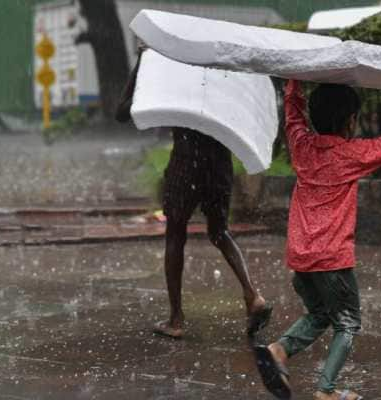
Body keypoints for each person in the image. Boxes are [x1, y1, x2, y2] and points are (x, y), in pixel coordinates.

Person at [253, 58, 381, 400]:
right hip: (332, 258)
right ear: (351, 121)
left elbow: (293, 113)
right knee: (347, 323)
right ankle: (326, 391)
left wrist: (294, 77)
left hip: (301, 257)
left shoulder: (302, 146)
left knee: (319, 314)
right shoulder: (352, 155)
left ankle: (278, 350)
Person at [115, 48, 271, 339]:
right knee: (219, 232)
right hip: (218, 164)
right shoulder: (220, 78)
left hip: (186, 162)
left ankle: (176, 319)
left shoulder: (172, 78)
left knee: (176, 235)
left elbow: (121, 111)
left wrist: (141, 63)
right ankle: (252, 295)